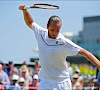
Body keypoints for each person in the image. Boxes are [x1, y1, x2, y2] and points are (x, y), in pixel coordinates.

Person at [19, 4, 100, 89]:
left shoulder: (63, 42)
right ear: (47, 27)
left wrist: (99, 65)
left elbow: (84, 52)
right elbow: (30, 22)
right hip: (45, 83)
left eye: (57, 30)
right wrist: (25, 11)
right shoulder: (41, 33)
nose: (55, 33)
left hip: (62, 83)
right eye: (52, 30)